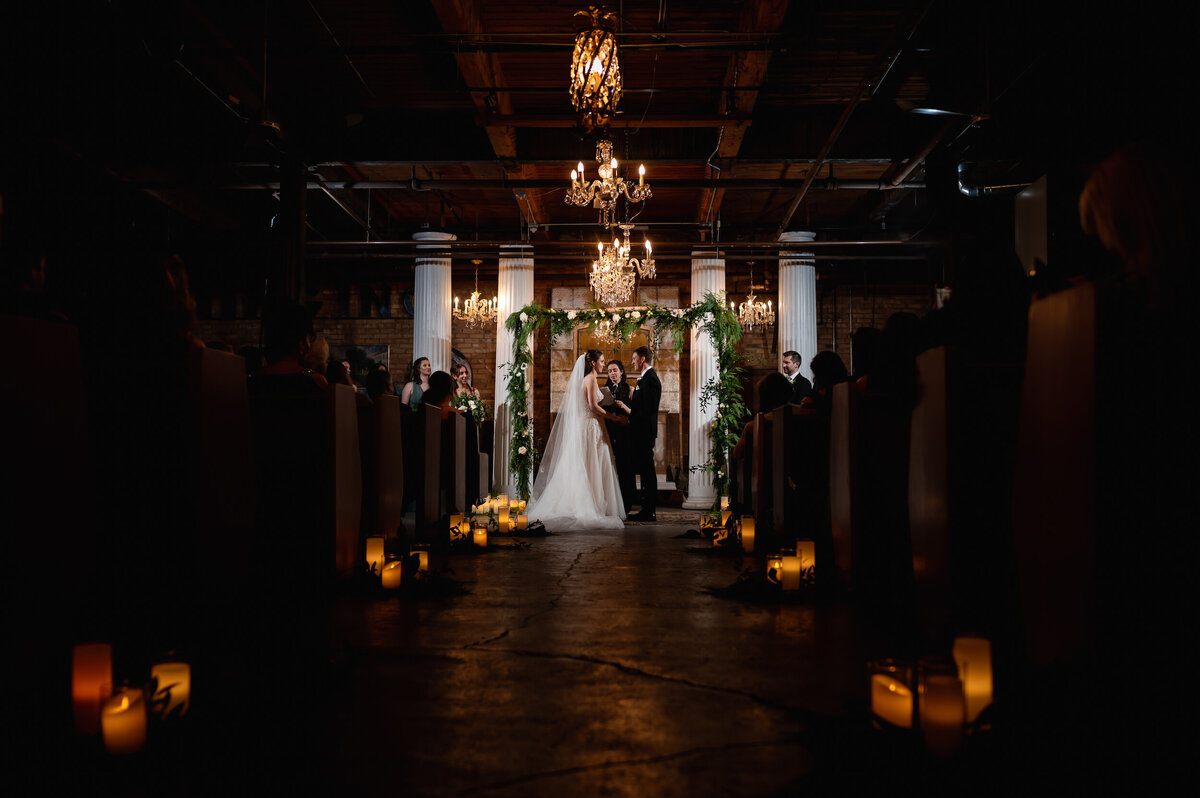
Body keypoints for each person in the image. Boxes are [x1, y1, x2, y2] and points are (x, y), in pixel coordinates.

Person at [525, 349, 627, 531]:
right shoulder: (591, 379)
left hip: (589, 425)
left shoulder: (586, 379)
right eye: (601, 361)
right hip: (590, 426)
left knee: (590, 465)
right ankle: (591, 505)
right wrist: (614, 418)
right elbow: (593, 406)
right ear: (593, 363)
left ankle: (593, 502)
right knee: (593, 465)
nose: (603, 364)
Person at [614, 345, 661, 522]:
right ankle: (646, 509)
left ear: (642, 359)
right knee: (644, 470)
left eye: (634, 359)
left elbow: (648, 410)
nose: (632, 362)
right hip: (640, 432)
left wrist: (629, 412)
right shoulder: (645, 379)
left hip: (645, 432)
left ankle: (649, 510)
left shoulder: (651, 380)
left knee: (648, 472)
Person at [603, 359, 636, 513]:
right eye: (609, 371)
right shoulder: (605, 389)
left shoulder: (630, 389)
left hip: (625, 433)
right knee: (609, 466)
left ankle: (626, 504)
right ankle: (609, 503)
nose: (612, 373)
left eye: (615, 370)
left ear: (622, 371)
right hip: (609, 431)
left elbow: (636, 413)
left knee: (625, 468)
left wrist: (624, 406)